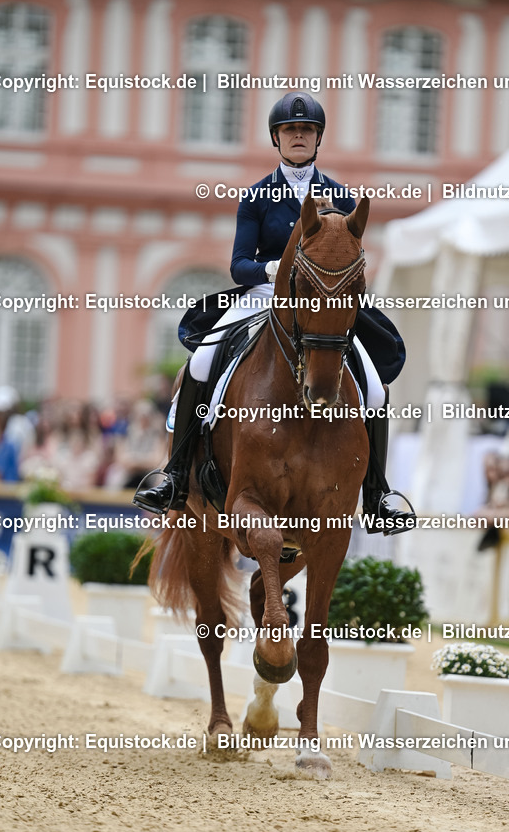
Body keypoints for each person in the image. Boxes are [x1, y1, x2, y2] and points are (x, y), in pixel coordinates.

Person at [134, 92, 412, 531]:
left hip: (322, 300)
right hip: (266, 293)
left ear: (317, 139)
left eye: (306, 130)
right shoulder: (257, 196)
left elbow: (349, 254)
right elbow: (238, 263)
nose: (298, 136)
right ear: (277, 139)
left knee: (374, 388)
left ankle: (378, 494)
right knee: (201, 363)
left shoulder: (341, 196)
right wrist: (274, 267)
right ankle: (174, 476)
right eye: (290, 130)